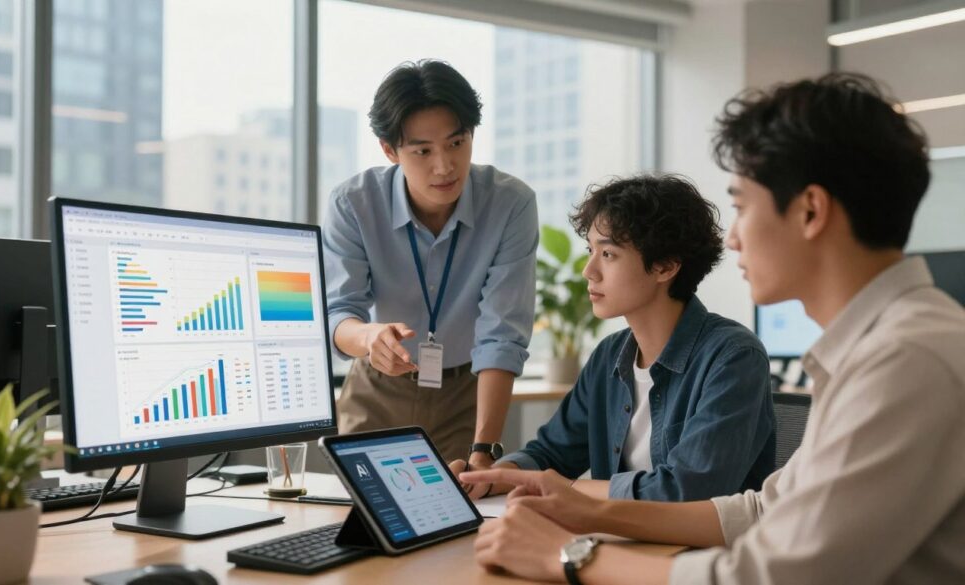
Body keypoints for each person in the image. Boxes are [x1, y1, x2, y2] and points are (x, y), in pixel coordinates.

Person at [462, 73, 965, 585]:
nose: (735, 238)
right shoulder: (877, 350)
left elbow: (778, 575)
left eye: (743, 207)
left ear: (811, 210)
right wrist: (585, 511)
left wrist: (571, 556)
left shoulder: (908, 359)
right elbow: (762, 511)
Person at [451, 175, 775, 503]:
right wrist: (490, 479)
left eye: (608, 254)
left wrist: (566, 490)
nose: (588, 270)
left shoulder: (733, 357)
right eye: (591, 250)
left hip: (701, 552)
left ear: (665, 266)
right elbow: (551, 454)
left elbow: (687, 491)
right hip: (619, 541)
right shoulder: (610, 355)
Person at [323, 60, 538, 466]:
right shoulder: (353, 204)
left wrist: (484, 447)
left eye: (457, 143)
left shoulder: (511, 204)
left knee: (465, 516)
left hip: (467, 392)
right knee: (358, 520)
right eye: (422, 150)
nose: (444, 166)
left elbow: (502, 335)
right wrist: (370, 338)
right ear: (390, 150)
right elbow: (337, 314)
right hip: (379, 385)